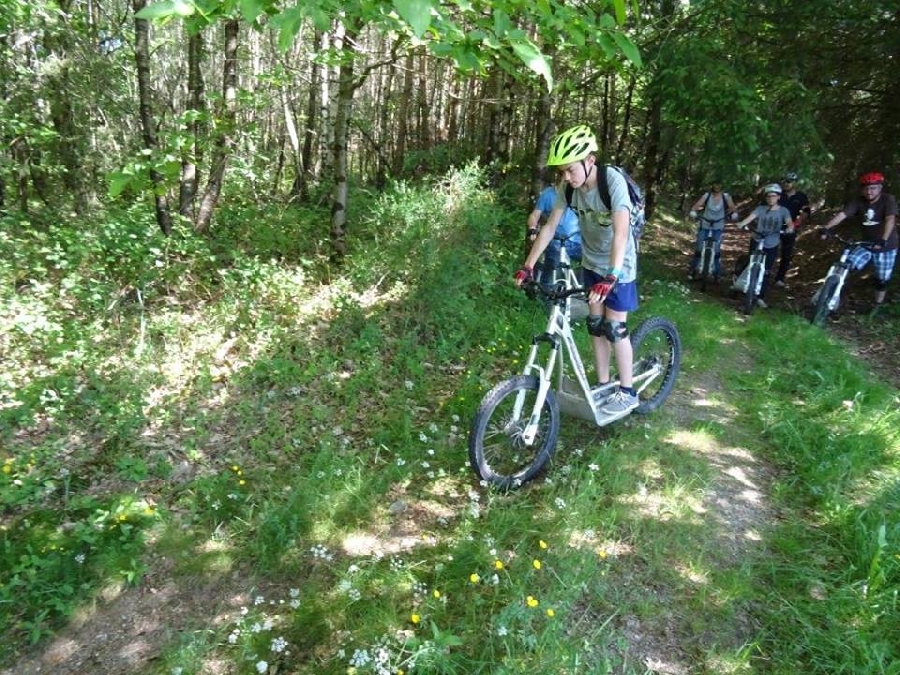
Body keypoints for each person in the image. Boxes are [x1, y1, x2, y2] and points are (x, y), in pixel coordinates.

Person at [515, 124, 640, 416]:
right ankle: (604, 383)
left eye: (570, 170)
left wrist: (613, 274)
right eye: (562, 172)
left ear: (589, 161)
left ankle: (627, 391)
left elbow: (621, 233)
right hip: (591, 262)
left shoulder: (611, 182)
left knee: (614, 327)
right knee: (595, 326)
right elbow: (548, 228)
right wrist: (528, 266)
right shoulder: (567, 189)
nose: (566, 177)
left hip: (619, 264)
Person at [820, 171, 898, 312]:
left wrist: (883, 239)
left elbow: (890, 219)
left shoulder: (888, 199)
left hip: (886, 246)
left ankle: (877, 306)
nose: (869, 191)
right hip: (866, 245)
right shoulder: (858, 201)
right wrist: (826, 227)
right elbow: (843, 214)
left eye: (873, 188)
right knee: (846, 267)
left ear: (880, 188)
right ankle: (831, 299)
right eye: (866, 188)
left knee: (882, 279)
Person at [734, 183, 793, 308]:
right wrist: (742, 223)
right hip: (757, 239)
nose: (771, 198)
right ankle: (741, 286)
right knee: (751, 264)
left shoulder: (783, 211)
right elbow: (750, 217)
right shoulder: (761, 209)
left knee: (766, 270)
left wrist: (789, 229)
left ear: (778, 197)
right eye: (769, 196)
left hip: (772, 243)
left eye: (773, 196)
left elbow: (789, 223)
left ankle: (760, 296)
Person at [527, 167, 581, 289]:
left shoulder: (579, 193)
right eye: (563, 174)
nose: (567, 178)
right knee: (551, 264)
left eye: (570, 173)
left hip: (577, 241)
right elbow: (535, 215)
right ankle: (547, 298)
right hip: (556, 242)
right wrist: (532, 227)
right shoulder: (548, 194)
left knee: (594, 264)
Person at [686, 180, 738, 281]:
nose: (717, 186)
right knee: (699, 248)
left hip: (718, 226)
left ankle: (716, 273)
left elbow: (732, 208)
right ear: (712, 185)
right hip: (705, 224)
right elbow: (697, 205)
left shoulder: (726, 196)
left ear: (722, 185)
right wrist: (693, 211)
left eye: (719, 184)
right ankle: (693, 271)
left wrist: (733, 213)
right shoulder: (707, 195)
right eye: (715, 183)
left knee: (716, 250)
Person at [774, 172, 811, 287]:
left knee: (786, 253)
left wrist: (797, 223)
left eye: (789, 181)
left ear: (795, 183)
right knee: (770, 250)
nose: (786, 184)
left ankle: (780, 278)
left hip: (790, 227)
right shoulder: (778, 194)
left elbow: (806, 211)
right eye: (784, 181)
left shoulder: (801, 196)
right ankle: (762, 273)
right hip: (774, 226)